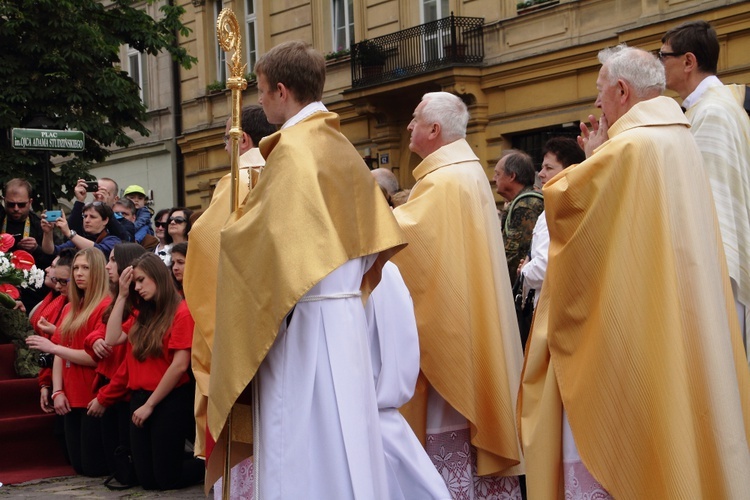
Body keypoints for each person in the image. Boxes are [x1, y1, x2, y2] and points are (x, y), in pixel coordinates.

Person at [518, 44, 750, 499]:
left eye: (601, 95)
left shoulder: (630, 146)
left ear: (622, 91)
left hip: (629, 333)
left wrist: (596, 155)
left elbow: (567, 210)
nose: (597, 107)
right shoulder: (678, 136)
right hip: (677, 310)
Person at [206, 40, 406, 499]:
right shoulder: (339, 145)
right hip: (345, 315)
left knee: (300, 432)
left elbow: (259, 246)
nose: (257, 101)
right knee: (345, 433)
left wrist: (233, 226)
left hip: (308, 320)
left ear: (281, 91)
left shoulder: (295, 152)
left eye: (260, 91)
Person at [392, 91, 524, 498]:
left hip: (450, 337)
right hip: (469, 326)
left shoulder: (446, 180)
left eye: (416, 119)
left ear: (435, 129)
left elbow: (408, 242)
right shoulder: (461, 172)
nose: (409, 126)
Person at [184, 104, 274, 473]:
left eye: (226, 140)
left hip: (239, 314)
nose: (225, 149)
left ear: (244, 140)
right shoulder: (286, 171)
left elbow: (203, 240)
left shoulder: (239, 178)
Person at [660, 20, 750, 361]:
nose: (660, 64)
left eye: (664, 56)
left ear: (688, 61)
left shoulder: (712, 112)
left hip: (717, 270)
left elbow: (706, 204)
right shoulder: (716, 105)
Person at [87, 253, 203, 491]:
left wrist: (150, 405)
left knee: (165, 480)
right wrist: (121, 295)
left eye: (141, 281)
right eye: (134, 283)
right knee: (146, 480)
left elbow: (179, 365)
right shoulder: (143, 314)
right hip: (139, 397)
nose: (137, 288)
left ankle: (208, 463)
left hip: (168, 399)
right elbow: (111, 338)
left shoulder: (181, 312)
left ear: (158, 277)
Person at [25, 247, 111, 477]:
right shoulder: (71, 307)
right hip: (70, 394)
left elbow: (96, 360)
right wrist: (57, 391)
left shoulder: (104, 305)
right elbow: (60, 354)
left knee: (93, 467)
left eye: (86, 268)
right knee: (79, 466)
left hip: (92, 394)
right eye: (76, 268)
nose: (79, 273)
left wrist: (53, 347)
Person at [82, 242, 147, 479]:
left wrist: (105, 396)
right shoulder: (118, 300)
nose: (108, 266)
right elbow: (101, 332)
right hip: (108, 383)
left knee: (125, 468)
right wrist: (93, 341)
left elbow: (127, 362)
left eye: (112, 260)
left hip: (122, 390)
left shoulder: (140, 306)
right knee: (97, 464)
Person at [518, 137, 584, 308]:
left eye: (548, 168)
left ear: (568, 171)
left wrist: (524, 270)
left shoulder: (560, 209)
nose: (541, 174)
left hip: (550, 307)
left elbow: (543, 267)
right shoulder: (562, 205)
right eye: (542, 167)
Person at [31, 249, 75, 412]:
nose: (57, 285)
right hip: (60, 383)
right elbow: (54, 349)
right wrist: (47, 385)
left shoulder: (86, 307)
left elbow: (90, 354)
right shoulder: (62, 303)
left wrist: (56, 332)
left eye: (62, 281)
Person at [1, 178, 54, 309]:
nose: (16, 209)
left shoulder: (40, 225)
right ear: (3, 200)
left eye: (21, 204)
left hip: (32, 294)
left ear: (30, 202)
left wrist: (36, 248)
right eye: (10, 204)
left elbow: (54, 258)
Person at [494, 150, 544, 284]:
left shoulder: (526, 205)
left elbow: (513, 256)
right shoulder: (521, 202)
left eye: (498, 174)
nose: (494, 179)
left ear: (512, 176)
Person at [42, 202, 122, 257]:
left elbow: (97, 251)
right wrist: (47, 232)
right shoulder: (77, 240)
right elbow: (51, 251)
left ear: (105, 220)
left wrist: (69, 233)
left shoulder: (113, 240)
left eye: (92, 217)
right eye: (85, 216)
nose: (87, 220)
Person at [66, 178, 130, 244]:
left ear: (115, 199)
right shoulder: (85, 218)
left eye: (104, 192)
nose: (99, 195)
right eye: (97, 190)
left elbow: (124, 241)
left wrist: (105, 208)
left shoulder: (125, 223)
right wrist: (80, 201)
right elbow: (69, 234)